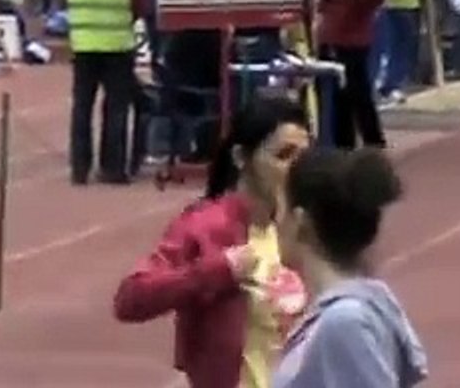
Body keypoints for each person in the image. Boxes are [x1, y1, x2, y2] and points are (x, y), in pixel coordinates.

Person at [113, 96, 312, 388]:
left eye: (303, 158)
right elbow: (130, 299)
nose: (296, 169)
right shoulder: (205, 226)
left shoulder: (308, 227)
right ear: (241, 158)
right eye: (283, 156)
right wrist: (217, 271)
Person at [272, 148, 427, 388]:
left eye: (280, 209)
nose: (276, 222)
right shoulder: (346, 312)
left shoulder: (345, 322)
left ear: (300, 221)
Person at [66, 0, 147, 185]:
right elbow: (139, 4)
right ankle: (112, 168)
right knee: (115, 108)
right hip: (117, 43)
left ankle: (79, 168)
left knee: (81, 107)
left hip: (83, 43)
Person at [310, 0, 385, 150]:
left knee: (357, 91)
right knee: (333, 93)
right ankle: (342, 143)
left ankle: (373, 140)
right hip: (330, 33)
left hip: (354, 35)